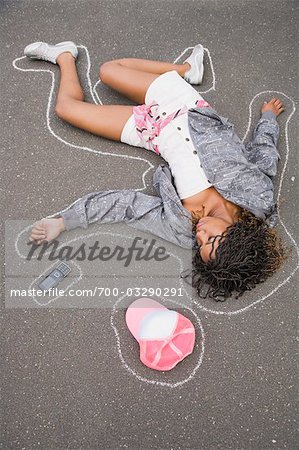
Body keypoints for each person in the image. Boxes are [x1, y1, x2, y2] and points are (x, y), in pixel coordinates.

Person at [24, 41, 286, 300]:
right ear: (238, 234)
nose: (201, 234)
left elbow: (128, 206)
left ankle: (64, 56)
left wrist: (65, 221)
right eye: (212, 239)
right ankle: (186, 70)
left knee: (66, 109)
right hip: (187, 109)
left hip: (152, 132)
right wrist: (268, 119)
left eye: (202, 244)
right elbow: (263, 156)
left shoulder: (182, 228)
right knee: (109, 70)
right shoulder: (257, 198)